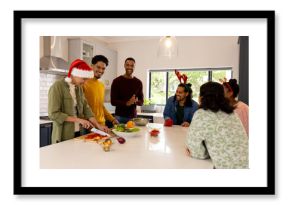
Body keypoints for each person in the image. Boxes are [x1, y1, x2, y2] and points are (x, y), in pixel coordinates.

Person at [186, 82, 248, 169]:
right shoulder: (232, 113)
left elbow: (195, 149)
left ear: (202, 97)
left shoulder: (201, 114)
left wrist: (206, 154)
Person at [48, 59, 110, 144]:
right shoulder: (57, 87)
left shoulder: (79, 88)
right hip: (63, 135)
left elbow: (86, 109)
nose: (84, 82)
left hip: (78, 133)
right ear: (74, 74)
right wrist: (79, 120)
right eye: (83, 79)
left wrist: (98, 125)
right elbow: (53, 114)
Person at [83, 55, 119, 128]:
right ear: (91, 66)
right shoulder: (83, 83)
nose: (101, 71)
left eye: (103, 68)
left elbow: (101, 106)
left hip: (102, 124)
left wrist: (112, 119)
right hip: (89, 126)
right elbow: (81, 108)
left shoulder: (101, 85)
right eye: (98, 67)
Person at [110, 57, 144, 124]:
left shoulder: (138, 82)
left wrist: (135, 102)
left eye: (132, 66)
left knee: (132, 134)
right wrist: (126, 103)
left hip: (133, 118)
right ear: (124, 65)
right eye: (127, 65)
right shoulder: (116, 81)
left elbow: (141, 101)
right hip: (119, 117)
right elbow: (113, 101)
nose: (129, 67)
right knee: (117, 135)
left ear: (134, 67)